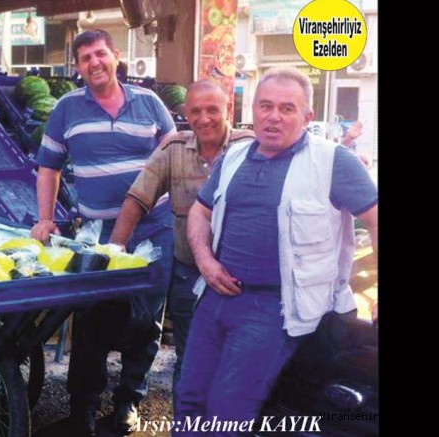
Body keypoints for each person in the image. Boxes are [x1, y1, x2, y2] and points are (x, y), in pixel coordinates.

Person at [174, 66, 378, 434]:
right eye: (265, 106)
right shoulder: (233, 157)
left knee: (227, 412)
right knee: (188, 400)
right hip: (215, 298)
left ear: (307, 117)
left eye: (287, 108)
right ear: (252, 110)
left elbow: (377, 219)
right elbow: (199, 213)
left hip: (274, 309)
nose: (273, 116)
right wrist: (205, 261)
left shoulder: (333, 161)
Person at [30, 29, 176, 436]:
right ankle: (83, 411)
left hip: (154, 229)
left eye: (99, 54)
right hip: (95, 235)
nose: (93, 63)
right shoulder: (66, 109)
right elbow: (49, 168)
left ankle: (128, 403)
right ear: (78, 68)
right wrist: (45, 218)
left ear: (116, 57)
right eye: (84, 58)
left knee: (147, 319)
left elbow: (175, 159)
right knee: (91, 319)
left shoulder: (149, 103)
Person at [108, 80, 254, 403]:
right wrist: (114, 251)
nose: (204, 119)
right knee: (191, 359)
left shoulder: (250, 147)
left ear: (228, 108)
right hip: (190, 276)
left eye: (213, 110)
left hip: (243, 282)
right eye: (196, 111)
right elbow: (137, 199)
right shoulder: (173, 149)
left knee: (243, 362)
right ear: (185, 113)